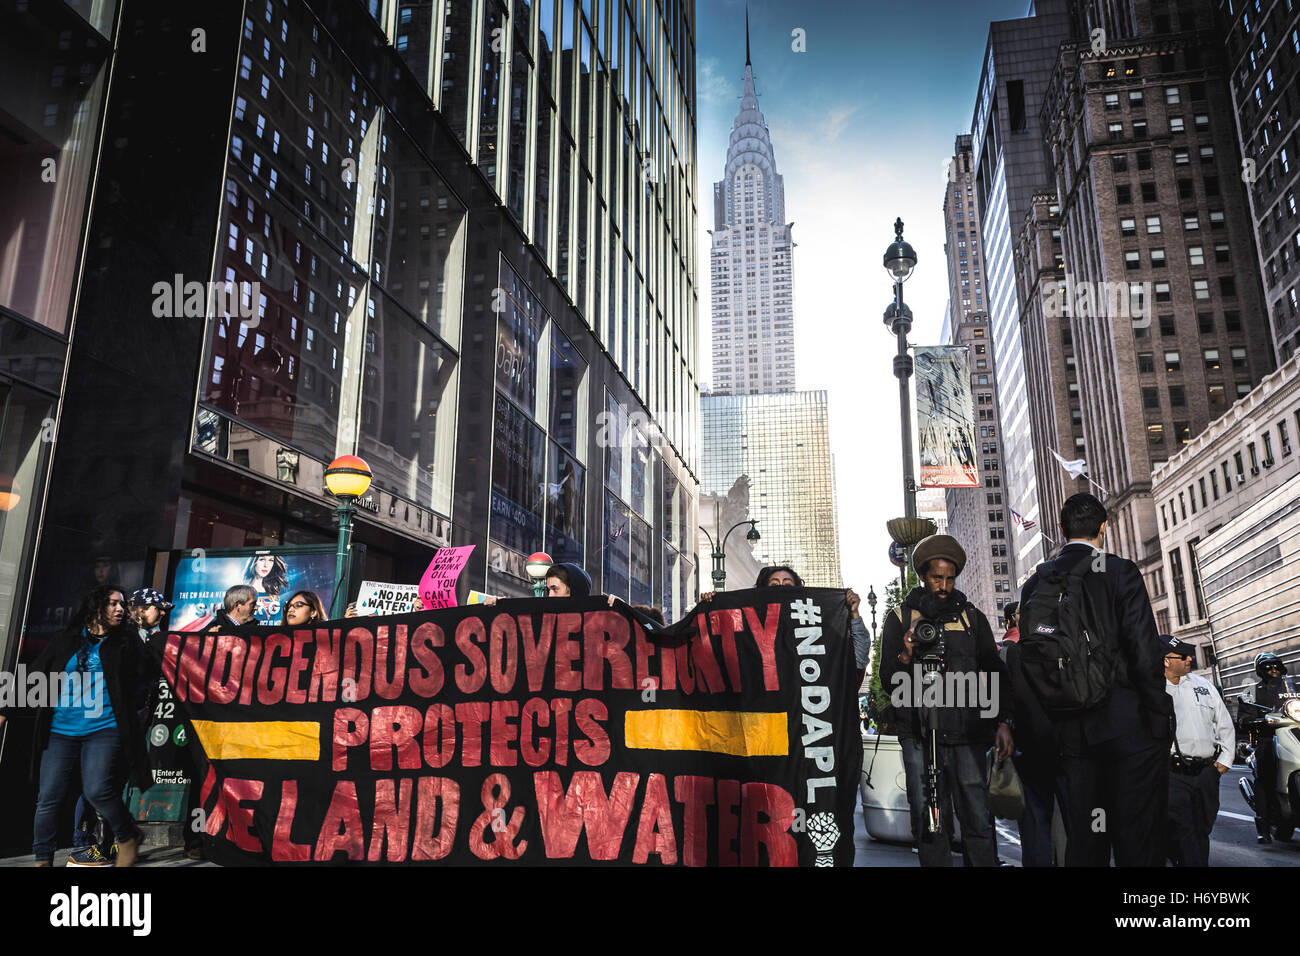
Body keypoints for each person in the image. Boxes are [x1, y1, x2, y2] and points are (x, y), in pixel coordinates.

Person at [1019, 493, 1172, 867]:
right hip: (1128, 726)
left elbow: (1031, 663)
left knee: (1088, 836)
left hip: (1073, 733)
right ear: (1104, 528)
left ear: (1061, 529)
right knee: (1137, 835)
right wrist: (1158, 718)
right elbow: (1142, 650)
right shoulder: (1119, 571)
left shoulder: (1037, 584)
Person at [880, 534, 1013, 867]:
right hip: (918, 734)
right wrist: (906, 652)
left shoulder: (971, 617)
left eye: (950, 578)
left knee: (978, 818)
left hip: (966, 732)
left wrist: (1002, 722)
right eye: (937, 577)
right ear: (924, 576)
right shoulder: (900, 618)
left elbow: (994, 670)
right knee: (929, 821)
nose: (943, 585)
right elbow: (887, 678)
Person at [0, 586, 152, 867]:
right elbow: (35, 673)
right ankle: (42, 859)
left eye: (122, 604)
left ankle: (128, 836)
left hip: (104, 729)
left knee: (97, 790)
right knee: (48, 797)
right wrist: (4, 710)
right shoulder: (67, 639)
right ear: (96, 606)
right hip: (60, 730)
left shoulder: (126, 642)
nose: (120, 609)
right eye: (113, 603)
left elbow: (147, 675)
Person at [704, 566, 871, 682]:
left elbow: (858, 659)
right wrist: (708, 609)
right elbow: (717, 655)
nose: (781, 589)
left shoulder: (814, 629)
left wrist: (854, 614)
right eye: (774, 585)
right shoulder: (747, 626)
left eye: (787, 585)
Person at [1003, 601, 1068, 867]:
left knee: (1036, 827)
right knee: (1070, 825)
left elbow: (1008, 698)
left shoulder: (1013, 653)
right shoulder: (1065, 647)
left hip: (1032, 749)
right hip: (1062, 748)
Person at [1163, 637, 1233, 866]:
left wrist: (1223, 763)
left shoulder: (1203, 684)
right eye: (1183, 656)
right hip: (1173, 774)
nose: (1190, 659)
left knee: (1202, 829)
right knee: (1181, 830)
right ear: (1166, 661)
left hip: (1206, 773)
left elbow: (1224, 723)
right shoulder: (1153, 688)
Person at [1249, 651, 1289, 843]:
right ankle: (1263, 825)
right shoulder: (1254, 691)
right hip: (1269, 738)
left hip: (1294, 734)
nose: (1273, 670)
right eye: (1268, 667)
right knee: (1264, 775)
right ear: (1260, 670)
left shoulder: (1292, 687)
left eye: (1276, 666)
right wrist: (1255, 720)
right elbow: (1244, 717)